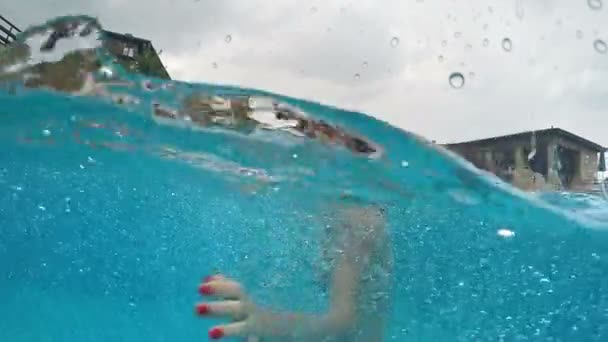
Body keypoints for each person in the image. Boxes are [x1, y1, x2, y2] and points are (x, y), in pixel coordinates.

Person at [194, 198, 393, 341]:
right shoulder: (304, 205)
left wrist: (266, 323)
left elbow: (342, 322)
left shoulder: (360, 217)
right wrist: (250, 323)